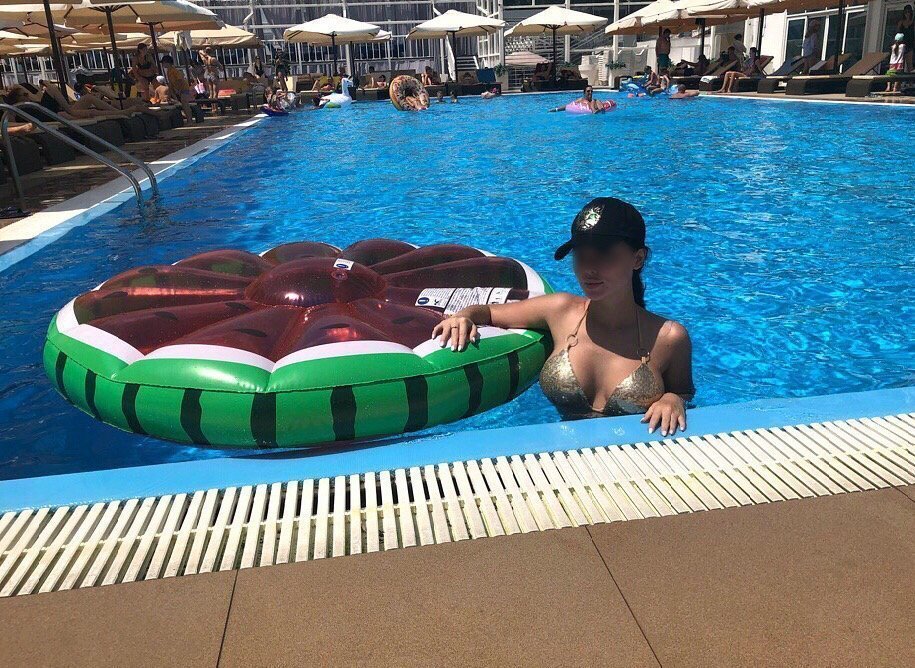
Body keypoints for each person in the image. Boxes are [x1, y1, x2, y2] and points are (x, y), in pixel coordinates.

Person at [432, 198, 694, 432]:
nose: (589, 269)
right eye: (581, 256)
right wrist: (463, 316)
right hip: (561, 456)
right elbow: (489, 312)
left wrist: (673, 399)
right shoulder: (560, 310)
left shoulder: (669, 337)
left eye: (603, 255)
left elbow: (683, 392)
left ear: (637, 259)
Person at [162, 55, 194, 122]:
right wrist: (170, 94)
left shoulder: (174, 70)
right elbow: (170, 83)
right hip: (179, 89)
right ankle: (188, 119)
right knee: (183, 103)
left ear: (167, 63)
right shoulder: (168, 71)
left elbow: (180, 80)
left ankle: (190, 120)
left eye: (163, 63)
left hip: (183, 88)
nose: (163, 64)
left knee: (185, 103)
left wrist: (179, 90)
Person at [897, 5, 914, 72]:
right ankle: (899, 78)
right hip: (901, 45)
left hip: (910, 45)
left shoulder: (912, 23)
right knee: (900, 65)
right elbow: (898, 33)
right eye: (906, 12)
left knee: (910, 65)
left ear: (910, 13)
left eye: (908, 12)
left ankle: (910, 79)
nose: (907, 14)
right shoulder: (901, 22)